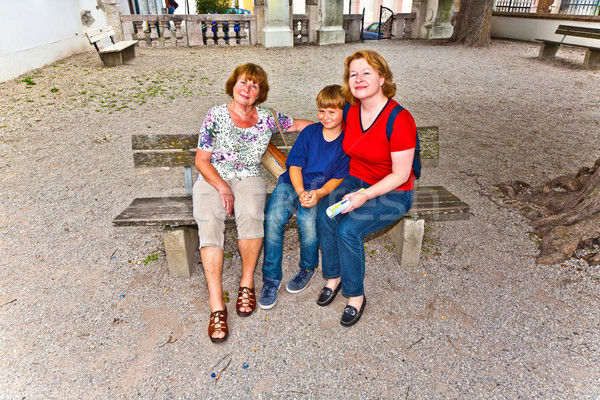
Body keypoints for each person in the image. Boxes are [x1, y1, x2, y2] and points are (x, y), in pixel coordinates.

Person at [193, 63, 312, 343]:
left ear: (260, 93)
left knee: (251, 212)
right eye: (243, 82)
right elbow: (201, 160)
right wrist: (222, 187)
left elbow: (297, 124)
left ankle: (246, 283)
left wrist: (333, 123)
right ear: (233, 85)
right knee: (209, 220)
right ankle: (216, 304)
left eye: (254, 85)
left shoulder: (268, 118)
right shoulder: (216, 115)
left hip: (248, 176)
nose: (247, 89)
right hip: (215, 177)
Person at [315, 50, 417, 327]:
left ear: (382, 78)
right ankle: (333, 277)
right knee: (326, 215)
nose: (358, 79)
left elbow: (401, 174)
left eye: (366, 73)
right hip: (356, 181)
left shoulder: (400, 119)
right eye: (353, 74)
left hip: (394, 192)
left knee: (349, 230)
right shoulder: (350, 110)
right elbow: (322, 126)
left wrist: (365, 195)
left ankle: (355, 295)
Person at [259, 85, 350, 310]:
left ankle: (307, 268)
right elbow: (295, 167)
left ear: (344, 112)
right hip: (292, 184)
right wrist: (300, 192)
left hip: (318, 190)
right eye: (321, 111)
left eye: (332, 112)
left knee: (307, 222)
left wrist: (317, 194)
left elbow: (337, 179)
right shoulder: (310, 133)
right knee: (273, 218)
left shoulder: (346, 143)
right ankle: (271, 278)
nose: (325, 117)